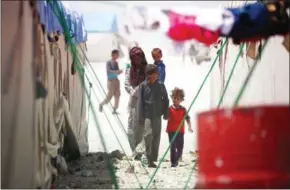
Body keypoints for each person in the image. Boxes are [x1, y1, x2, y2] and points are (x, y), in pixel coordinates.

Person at [136, 64, 169, 167]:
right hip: (147, 115)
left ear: (156, 74)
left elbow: (166, 99)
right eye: (149, 77)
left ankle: (153, 159)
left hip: (157, 115)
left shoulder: (161, 85)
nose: (151, 79)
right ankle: (148, 156)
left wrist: (166, 113)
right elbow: (140, 102)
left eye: (153, 76)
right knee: (148, 135)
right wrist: (140, 116)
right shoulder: (143, 86)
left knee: (156, 136)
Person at [124, 46, 148, 154]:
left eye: (139, 58)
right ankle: (134, 150)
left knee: (143, 128)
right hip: (133, 102)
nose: (137, 60)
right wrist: (132, 91)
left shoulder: (148, 69)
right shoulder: (130, 70)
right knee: (131, 127)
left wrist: (139, 90)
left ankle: (141, 151)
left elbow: (149, 82)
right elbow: (126, 84)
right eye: (134, 58)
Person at [166, 87, 193, 167]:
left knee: (180, 148)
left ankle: (177, 158)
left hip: (180, 131)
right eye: (174, 98)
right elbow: (165, 117)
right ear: (172, 98)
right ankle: (173, 163)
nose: (176, 100)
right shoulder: (169, 109)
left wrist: (189, 127)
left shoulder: (183, 109)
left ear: (181, 100)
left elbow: (187, 118)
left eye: (178, 99)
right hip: (171, 131)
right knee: (173, 147)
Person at [99, 50, 123, 114]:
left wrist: (119, 72)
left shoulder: (116, 63)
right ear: (113, 55)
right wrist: (117, 71)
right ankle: (101, 104)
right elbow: (108, 71)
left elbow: (117, 72)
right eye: (117, 54)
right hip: (111, 81)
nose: (118, 56)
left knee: (117, 95)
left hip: (116, 80)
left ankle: (115, 109)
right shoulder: (108, 62)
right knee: (110, 96)